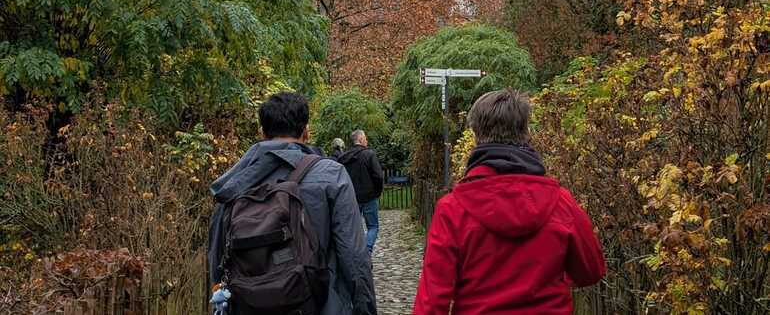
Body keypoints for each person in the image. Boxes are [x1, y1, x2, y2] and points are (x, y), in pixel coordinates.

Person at [413, 89, 606, 315]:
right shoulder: (560, 202)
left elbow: (432, 299)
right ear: (525, 131)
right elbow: (590, 271)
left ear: (476, 135)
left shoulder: (453, 209)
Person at [208, 92, 376, 315]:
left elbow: (217, 259)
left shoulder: (234, 182)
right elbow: (354, 256)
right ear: (306, 131)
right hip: (320, 304)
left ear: (262, 132)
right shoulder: (331, 175)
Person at [337, 130, 384, 255]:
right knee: (373, 226)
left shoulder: (343, 158)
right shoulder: (369, 155)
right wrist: (377, 192)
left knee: (354, 227)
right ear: (361, 139)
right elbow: (378, 176)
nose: (367, 141)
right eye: (366, 138)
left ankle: (356, 251)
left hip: (351, 197)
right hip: (369, 197)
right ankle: (367, 250)